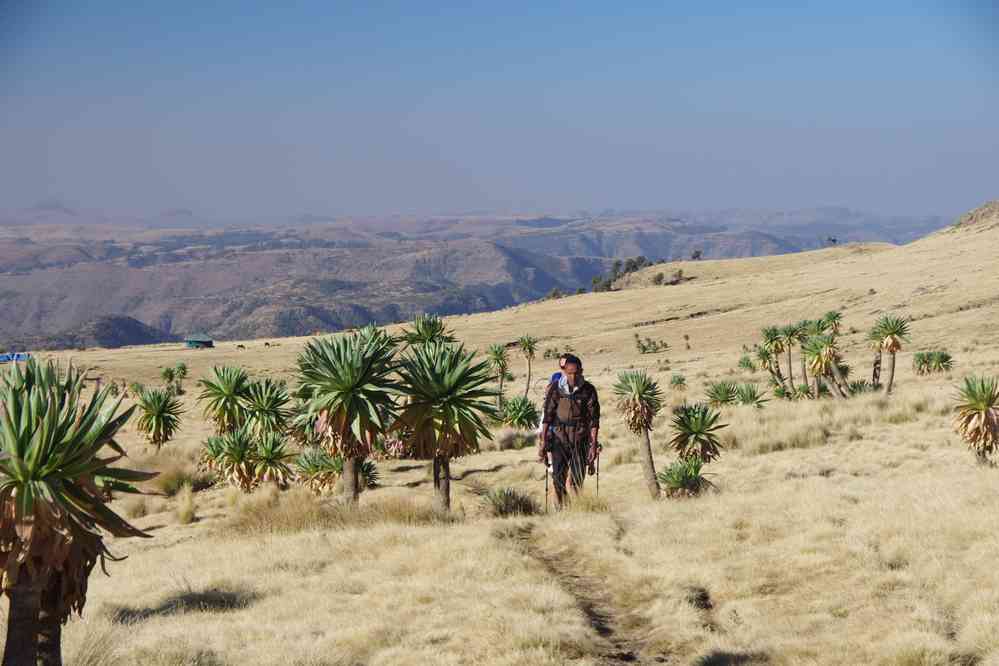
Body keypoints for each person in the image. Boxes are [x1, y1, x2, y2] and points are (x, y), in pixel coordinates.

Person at [538, 354, 600, 507]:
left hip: (581, 439)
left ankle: (579, 511)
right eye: (569, 372)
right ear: (564, 371)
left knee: (577, 480)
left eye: (576, 372)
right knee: (558, 479)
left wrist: (593, 445)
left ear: (581, 371)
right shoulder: (556, 388)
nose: (573, 376)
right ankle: (562, 511)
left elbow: (594, 420)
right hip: (559, 438)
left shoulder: (588, 390)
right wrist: (543, 444)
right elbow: (547, 417)